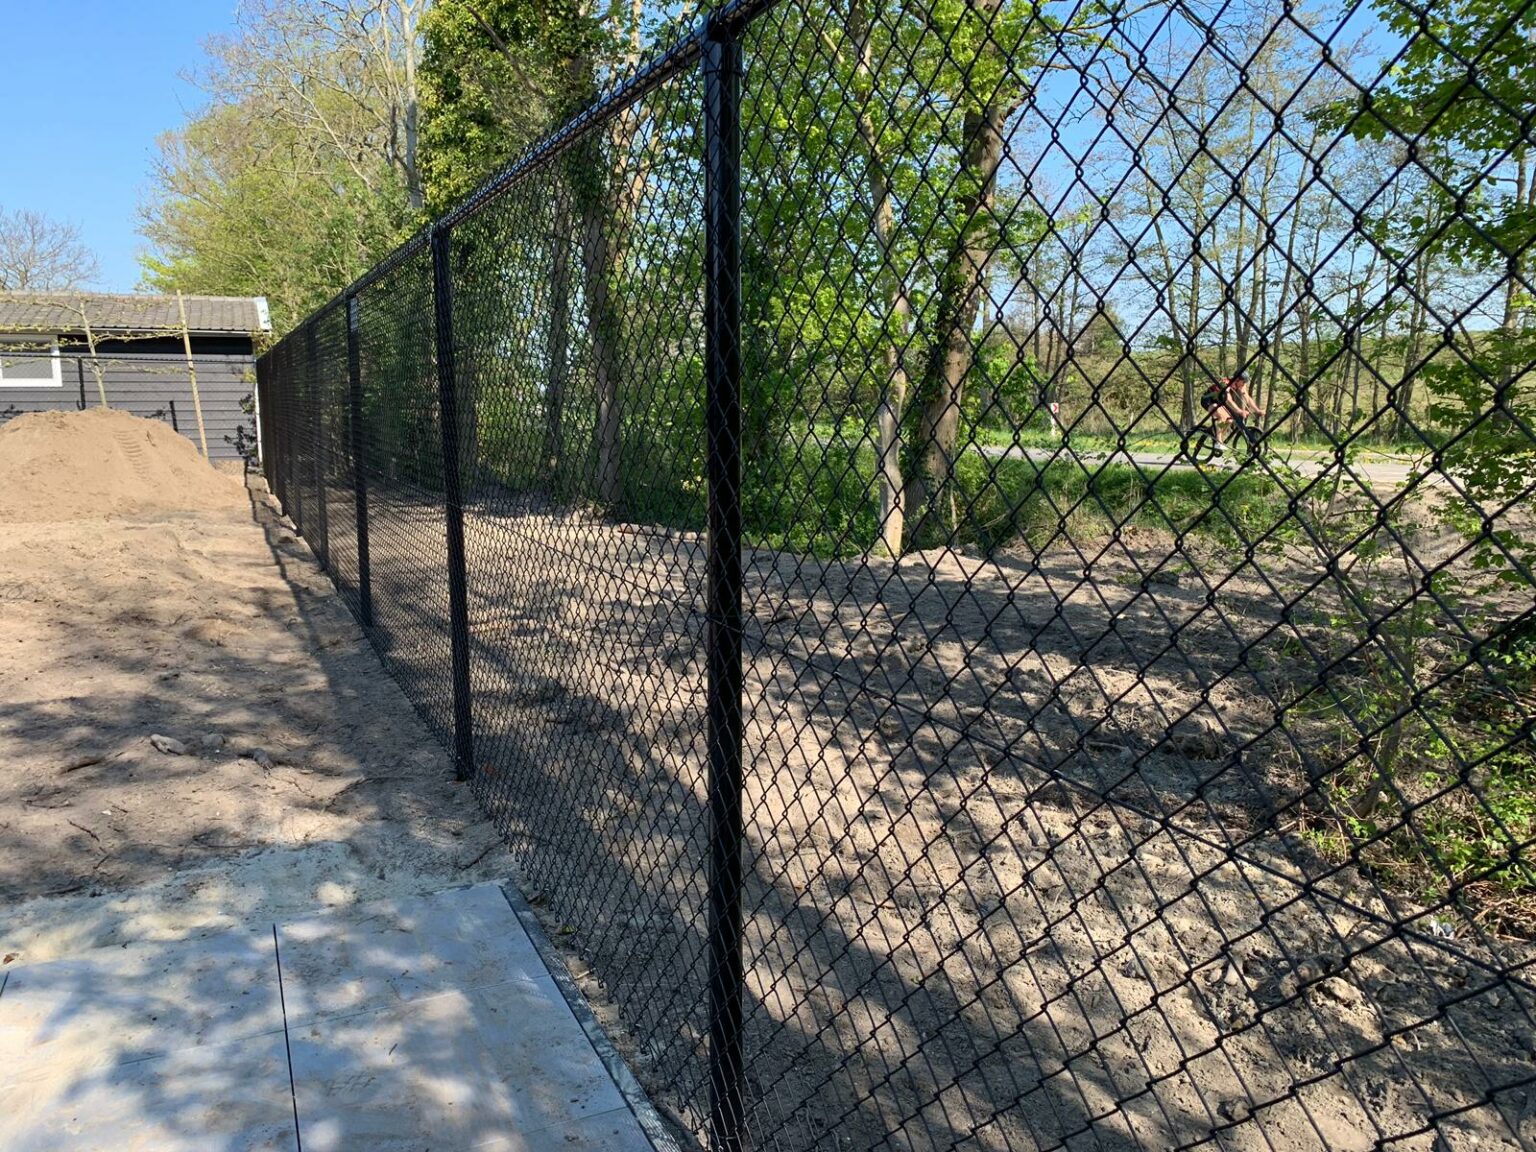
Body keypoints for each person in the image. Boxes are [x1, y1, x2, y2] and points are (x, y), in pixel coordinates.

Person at [1199, 372, 1263, 456]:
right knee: (1222, 416)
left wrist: (1257, 410)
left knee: (1229, 420)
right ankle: (1218, 442)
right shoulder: (1226, 383)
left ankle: (1219, 438)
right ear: (1237, 380)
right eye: (1243, 382)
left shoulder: (1240, 385)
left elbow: (1247, 398)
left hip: (1219, 402)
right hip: (1208, 400)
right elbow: (1229, 400)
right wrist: (1240, 411)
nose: (1244, 384)